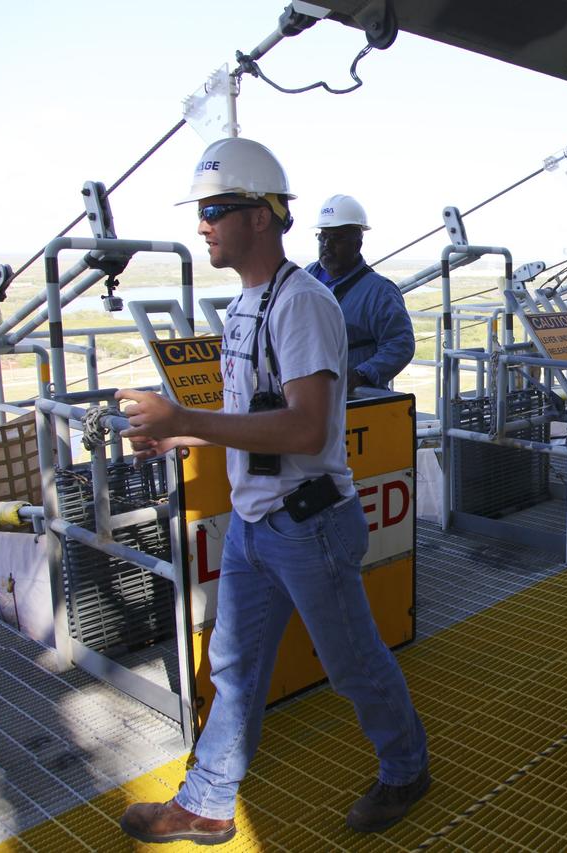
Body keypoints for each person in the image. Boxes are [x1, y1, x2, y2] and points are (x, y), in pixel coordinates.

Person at [114, 138, 429, 845]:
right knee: (236, 665)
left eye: (216, 209)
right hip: (260, 527)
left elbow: (309, 428)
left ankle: (407, 767)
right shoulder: (248, 306)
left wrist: (186, 416)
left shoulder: (302, 304)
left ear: (261, 216)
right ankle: (208, 801)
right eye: (202, 211)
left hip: (308, 526)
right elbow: (258, 414)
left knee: (352, 663)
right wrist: (180, 434)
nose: (203, 225)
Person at [304, 194, 415, 391]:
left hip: (353, 400)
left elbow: (400, 345)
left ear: (357, 244)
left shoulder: (380, 292)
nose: (327, 245)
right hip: (305, 390)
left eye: (336, 238)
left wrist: (360, 375)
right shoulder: (305, 277)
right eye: (323, 236)